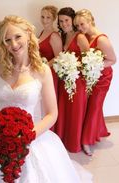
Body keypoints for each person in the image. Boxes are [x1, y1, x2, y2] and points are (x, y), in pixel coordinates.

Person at [0, 15, 92, 183]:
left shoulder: (42, 70)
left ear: (28, 35)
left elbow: (52, 113)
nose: (13, 44)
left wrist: (28, 135)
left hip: (33, 136)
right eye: (7, 40)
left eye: (17, 37)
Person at [74, 9, 116, 155]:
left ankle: (86, 141)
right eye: (77, 25)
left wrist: (95, 65)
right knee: (91, 107)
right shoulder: (86, 36)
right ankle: (96, 131)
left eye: (82, 24)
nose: (80, 28)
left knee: (94, 107)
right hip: (92, 77)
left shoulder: (101, 39)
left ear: (90, 20)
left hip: (103, 78)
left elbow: (113, 60)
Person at [55, 7, 90, 154]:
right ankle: (63, 139)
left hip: (77, 81)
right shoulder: (62, 37)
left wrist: (73, 67)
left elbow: (88, 61)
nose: (64, 24)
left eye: (66, 20)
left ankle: (75, 142)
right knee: (64, 111)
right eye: (61, 21)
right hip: (64, 81)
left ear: (72, 20)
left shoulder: (80, 37)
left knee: (75, 112)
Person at [38, 5, 62, 96]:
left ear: (54, 19)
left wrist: (44, 67)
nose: (44, 20)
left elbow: (58, 57)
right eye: (42, 17)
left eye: (48, 17)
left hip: (50, 73)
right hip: (41, 71)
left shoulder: (54, 36)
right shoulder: (42, 32)